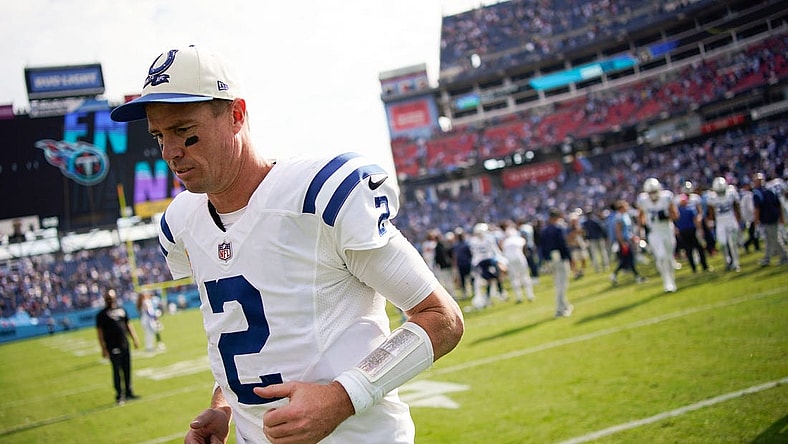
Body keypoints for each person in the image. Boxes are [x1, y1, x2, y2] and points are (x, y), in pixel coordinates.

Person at [110, 46, 464, 444]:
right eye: (159, 136)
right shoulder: (182, 222)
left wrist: (342, 397)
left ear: (236, 115)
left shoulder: (318, 196)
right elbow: (243, 334)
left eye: (183, 131)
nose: (171, 152)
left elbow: (442, 318)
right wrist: (224, 405)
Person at [96, 288, 140, 405]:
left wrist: (135, 338)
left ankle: (129, 392)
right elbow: (100, 333)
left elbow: (128, 325)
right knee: (116, 371)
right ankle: (119, 395)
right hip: (112, 347)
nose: (110, 300)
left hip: (125, 344)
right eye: (108, 298)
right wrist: (103, 348)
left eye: (111, 298)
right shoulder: (102, 315)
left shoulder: (121, 310)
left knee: (127, 370)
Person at [637, 178, 678, 292]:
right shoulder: (643, 200)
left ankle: (671, 281)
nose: (653, 195)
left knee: (669, 257)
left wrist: (666, 216)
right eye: (650, 193)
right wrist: (641, 231)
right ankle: (666, 282)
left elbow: (675, 215)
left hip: (667, 229)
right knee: (661, 256)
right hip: (654, 231)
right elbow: (640, 216)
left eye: (654, 192)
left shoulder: (666, 197)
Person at [539, 208, 573, 318]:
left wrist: (546, 260)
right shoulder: (558, 228)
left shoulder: (544, 230)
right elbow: (563, 245)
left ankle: (564, 305)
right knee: (562, 285)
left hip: (551, 260)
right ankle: (561, 309)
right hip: (560, 258)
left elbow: (542, 248)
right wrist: (570, 258)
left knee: (558, 284)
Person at [706, 177, 742, 272]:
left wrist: (738, 218)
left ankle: (736, 263)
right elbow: (711, 211)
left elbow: (736, 206)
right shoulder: (712, 196)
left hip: (730, 220)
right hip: (720, 222)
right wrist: (712, 221)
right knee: (722, 244)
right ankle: (727, 260)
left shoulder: (731, 192)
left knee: (732, 244)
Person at [752, 172, 788, 265]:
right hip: (773, 216)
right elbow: (778, 204)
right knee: (768, 240)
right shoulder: (771, 190)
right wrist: (781, 217)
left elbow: (757, 209)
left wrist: (756, 223)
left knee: (775, 238)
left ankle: (784, 256)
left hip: (768, 219)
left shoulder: (757, 193)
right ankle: (767, 258)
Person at [610, 200, 647, 285]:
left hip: (628, 239)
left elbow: (628, 230)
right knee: (629, 259)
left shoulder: (625, 216)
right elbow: (618, 232)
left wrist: (632, 237)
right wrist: (622, 243)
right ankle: (637, 277)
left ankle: (614, 275)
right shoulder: (618, 217)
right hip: (624, 241)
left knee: (626, 260)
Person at [675, 193, 710, 273]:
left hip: (683, 232)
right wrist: (700, 230)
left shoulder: (678, 211)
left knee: (689, 251)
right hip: (692, 231)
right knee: (699, 249)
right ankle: (704, 266)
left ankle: (694, 269)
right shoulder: (690, 209)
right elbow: (696, 220)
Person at [500, 226, 535, 304]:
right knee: (525, 276)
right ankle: (529, 295)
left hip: (510, 260)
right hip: (519, 258)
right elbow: (524, 246)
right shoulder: (518, 239)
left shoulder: (506, 242)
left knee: (514, 278)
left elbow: (503, 250)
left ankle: (519, 297)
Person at [739, 182, 760, 253]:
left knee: (753, 233)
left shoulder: (744, 195)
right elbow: (751, 208)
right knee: (754, 233)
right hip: (751, 217)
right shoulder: (749, 195)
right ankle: (751, 246)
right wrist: (756, 214)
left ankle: (753, 246)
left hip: (747, 217)